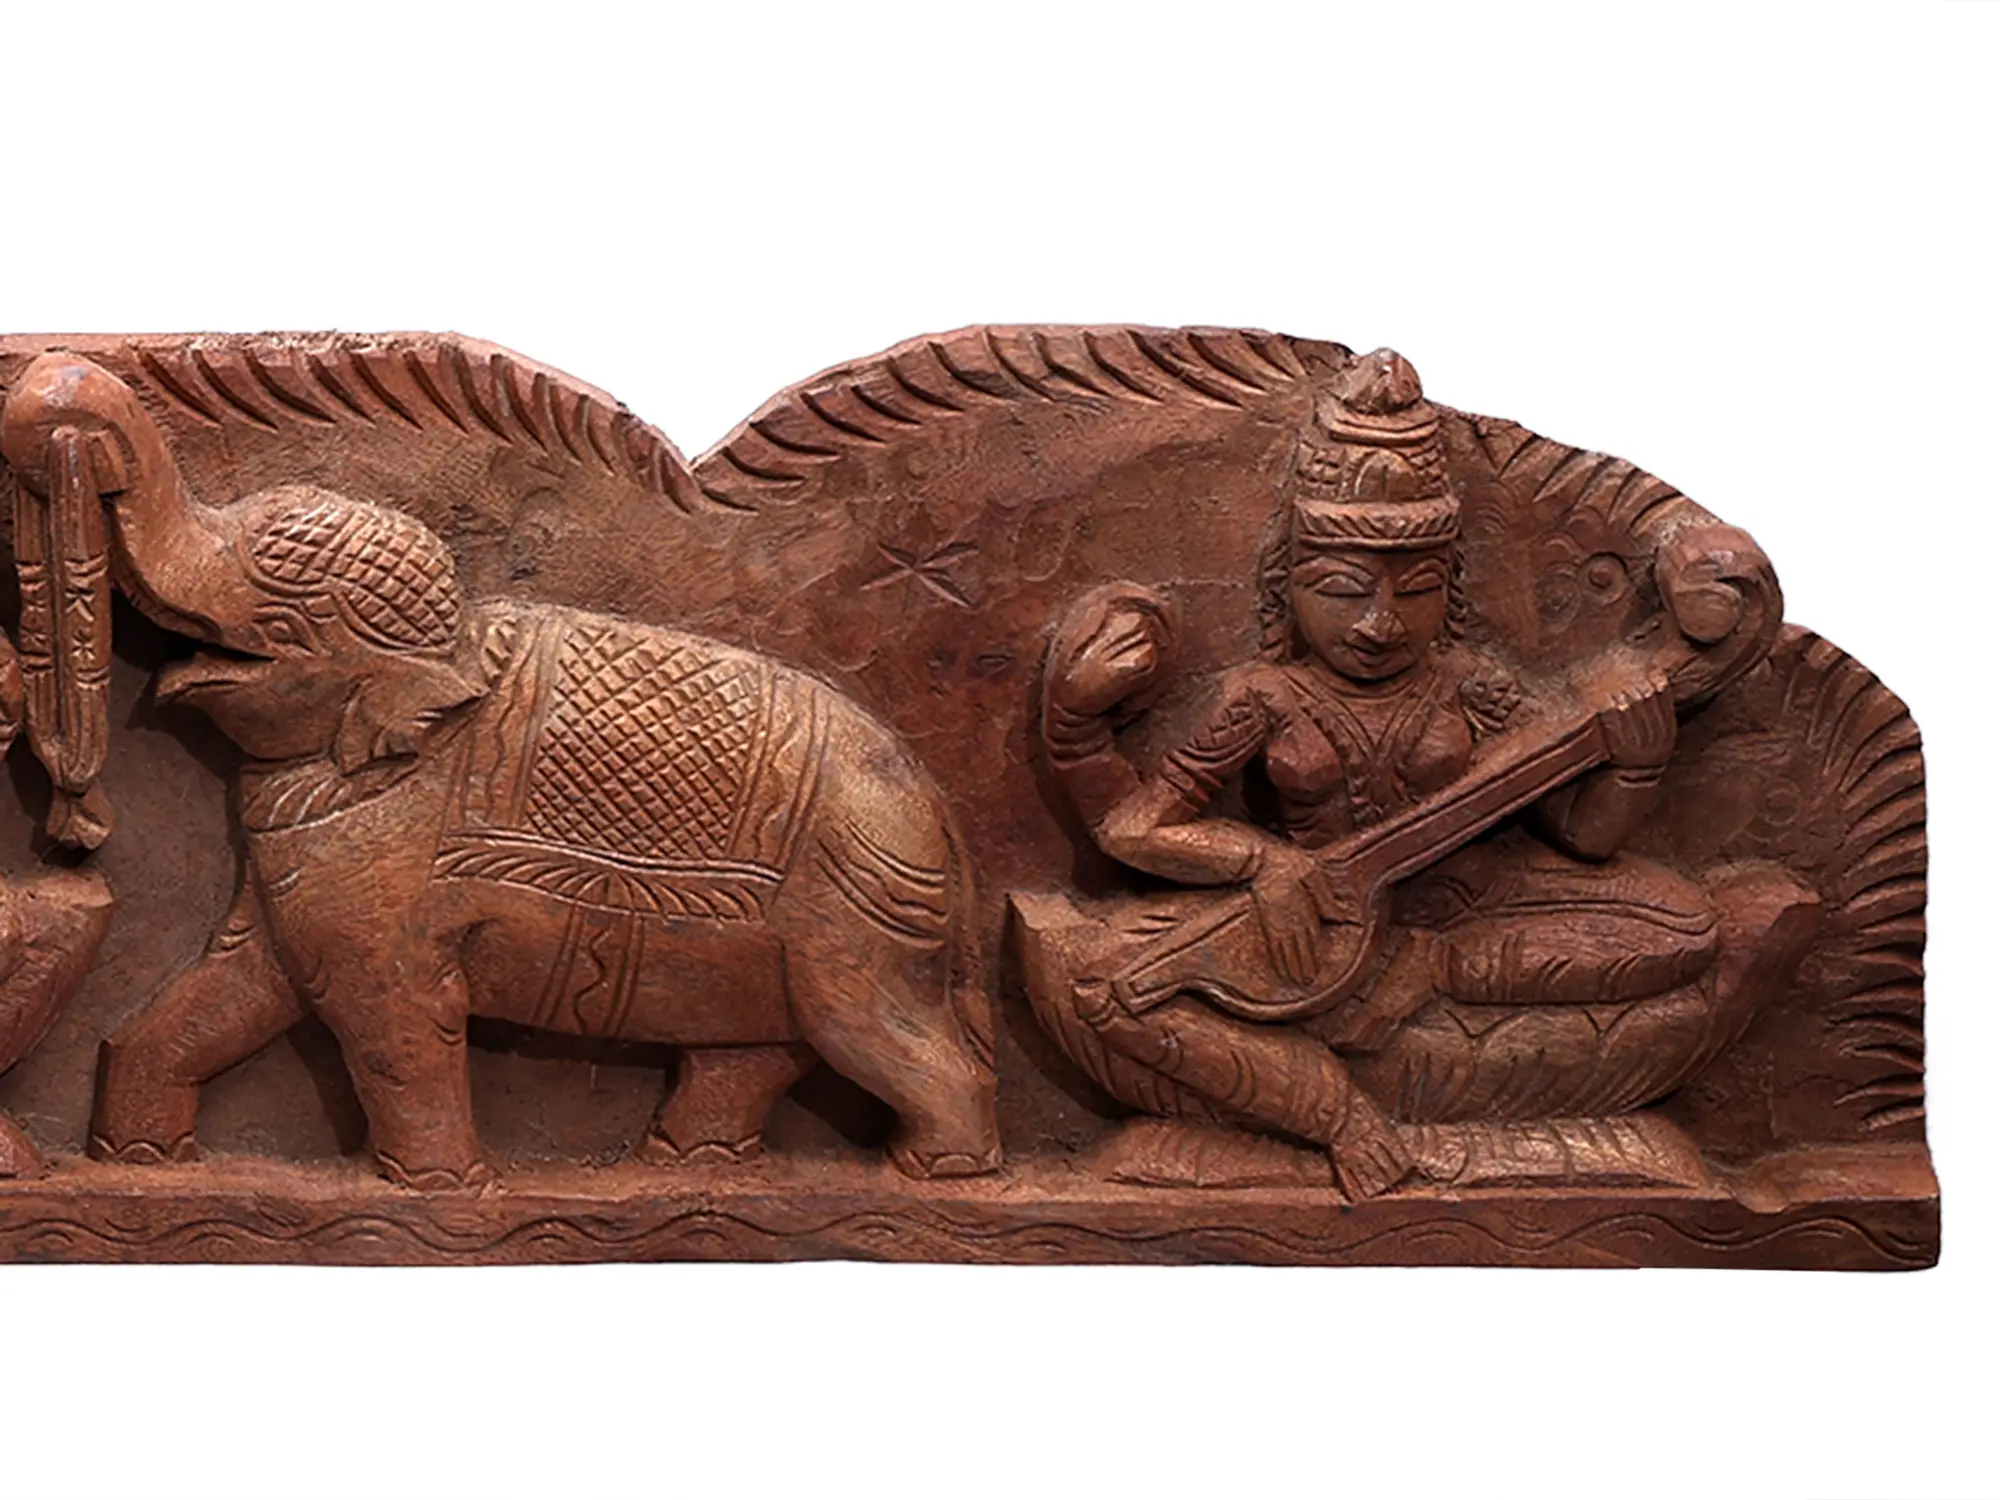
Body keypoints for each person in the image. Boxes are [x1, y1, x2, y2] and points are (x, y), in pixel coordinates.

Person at [1016, 349, 1815, 1198]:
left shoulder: (1469, 685)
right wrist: (1262, 863)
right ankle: (1338, 1119)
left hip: (1474, 918)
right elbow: (1135, 828)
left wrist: (1639, 765)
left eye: (1416, 589)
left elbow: (1582, 838)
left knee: (1684, 928)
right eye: (1343, 590)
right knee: (1106, 984)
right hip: (1317, 921)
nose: (1379, 623)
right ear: (1287, 587)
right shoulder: (1264, 696)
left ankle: (1390, 1008)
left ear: (1451, 588)